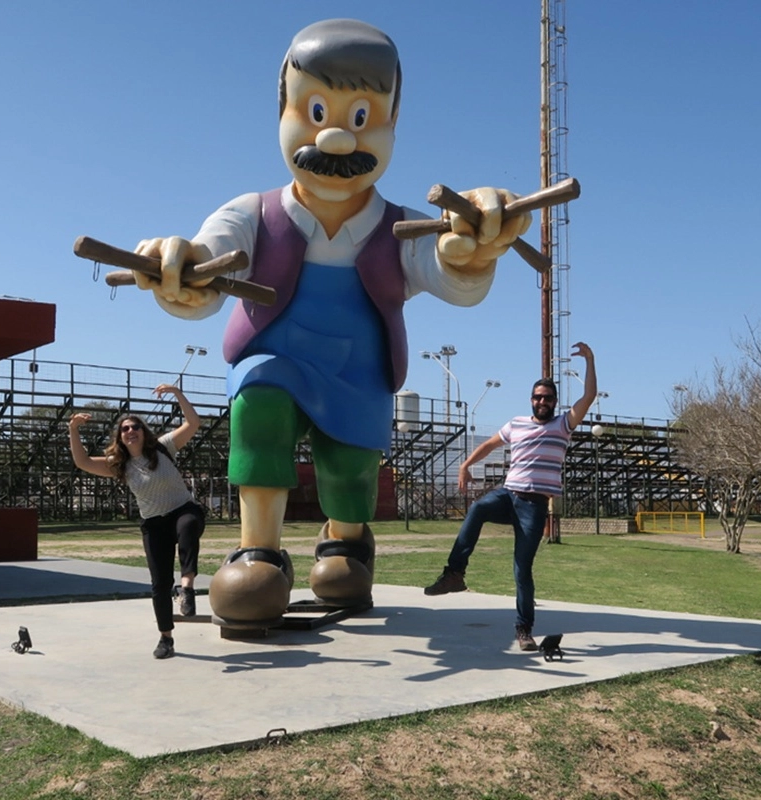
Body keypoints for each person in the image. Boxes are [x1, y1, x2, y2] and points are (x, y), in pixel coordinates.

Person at [127, 19, 531, 630]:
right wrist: (182, 270)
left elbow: (453, 276)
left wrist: (474, 249)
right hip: (273, 356)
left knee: (349, 468)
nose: (337, 138)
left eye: (362, 116)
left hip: (359, 371)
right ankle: (258, 553)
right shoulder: (253, 215)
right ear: (282, 112)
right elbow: (210, 263)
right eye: (316, 112)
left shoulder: (405, 228)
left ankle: (345, 538)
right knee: (258, 413)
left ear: (393, 123)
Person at [424, 342, 598, 651]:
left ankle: (523, 629)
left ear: (555, 401)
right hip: (508, 495)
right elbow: (489, 445)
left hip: (534, 506)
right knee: (478, 508)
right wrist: (465, 465)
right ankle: (454, 574)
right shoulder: (516, 424)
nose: (542, 401)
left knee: (522, 569)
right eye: (537, 397)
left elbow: (589, 396)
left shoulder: (563, 424)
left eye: (547, 398)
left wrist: (590, 361)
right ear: (531, 399)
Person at [68, 384, 205, 659]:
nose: (131, 431)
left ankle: (187, 588)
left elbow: (193, 423)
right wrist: (73, 430)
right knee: (159, 584)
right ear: (120, 437)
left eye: (136, 427)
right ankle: (166, 638)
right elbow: (82, 462)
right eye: (125, 429)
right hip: (154, 524)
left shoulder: (164, 447)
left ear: (144, 432)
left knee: (188, 526)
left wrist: (177, 393)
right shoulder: (119, 464)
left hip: (183, 510)